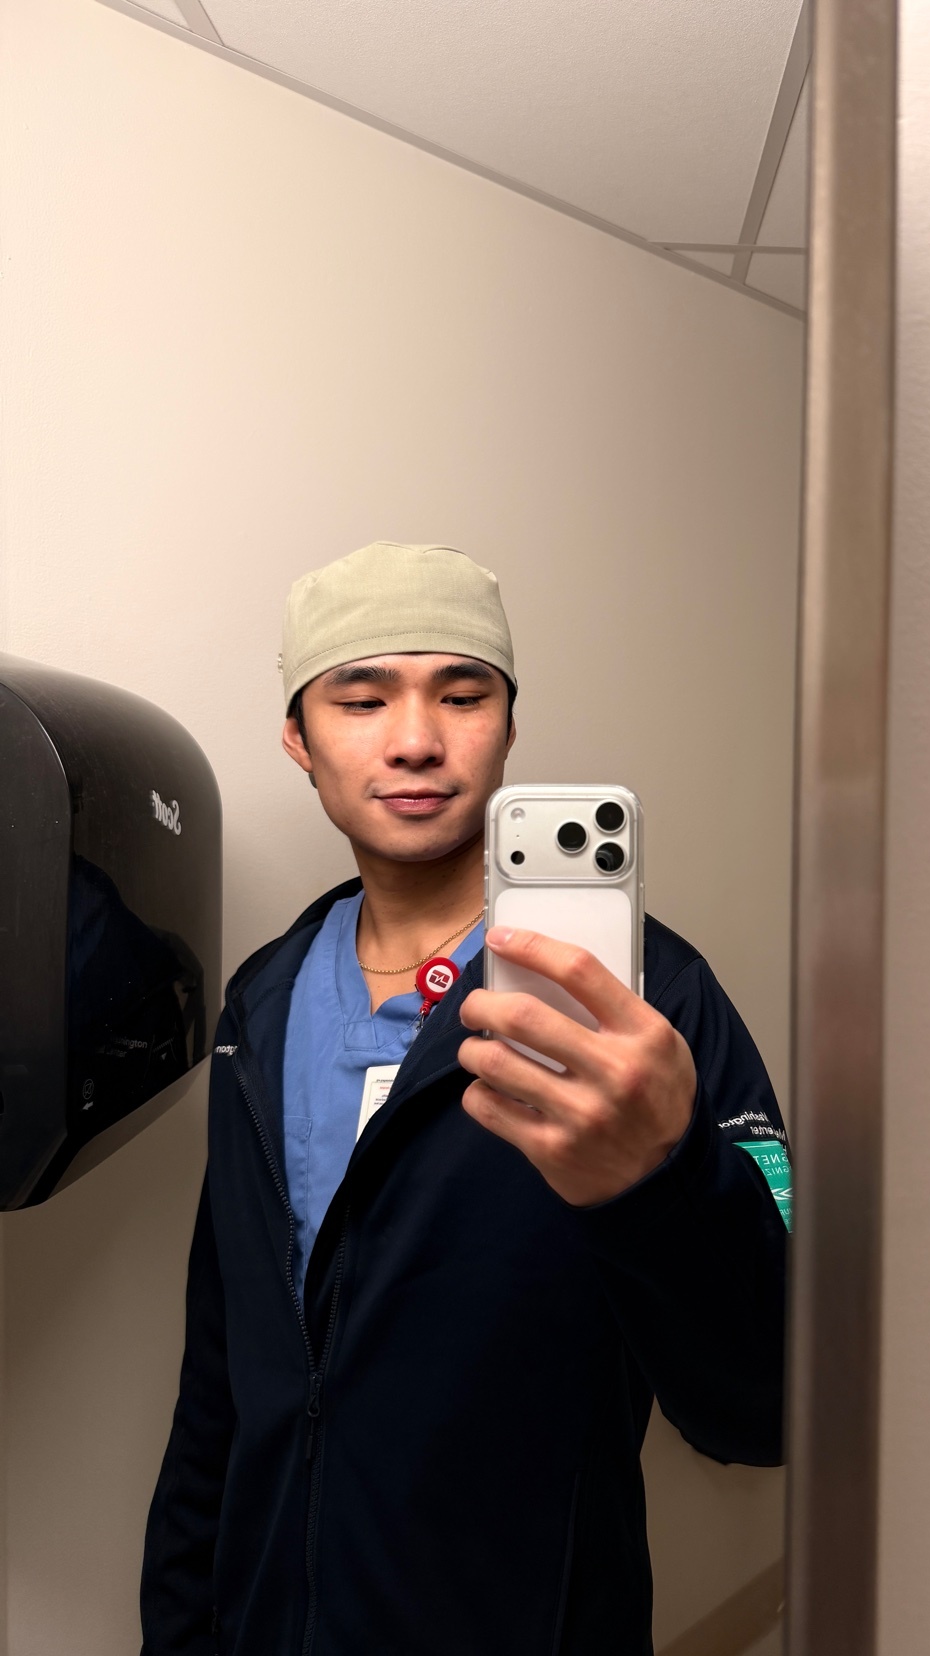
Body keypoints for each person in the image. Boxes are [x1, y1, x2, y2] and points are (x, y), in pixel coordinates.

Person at [140, 542, 789, 1656]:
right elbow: (222, 1381)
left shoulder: (647, 1000)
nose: (416, 739)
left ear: (510, 727)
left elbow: (765, 1402)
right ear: (299, 737)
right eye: (360, 696)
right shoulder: (267, 998)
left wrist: (661, 1174)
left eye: (462, 693)